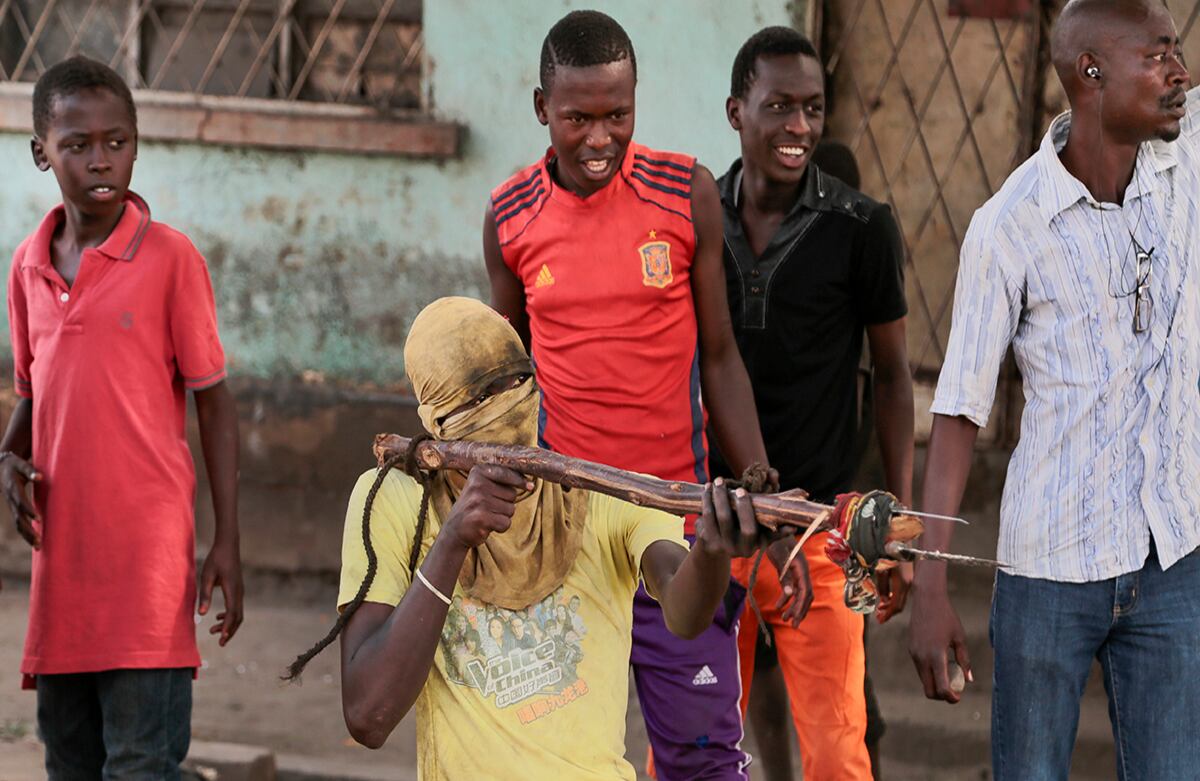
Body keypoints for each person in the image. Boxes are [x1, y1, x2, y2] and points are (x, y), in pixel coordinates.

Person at [287, 296, 770, 780]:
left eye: (516, 382)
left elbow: (684, 613)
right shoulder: (395, 500)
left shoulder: (600, 494)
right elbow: (368, 716)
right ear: (434, 421)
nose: (505, 403)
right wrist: (452, 541)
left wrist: (711, 548)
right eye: (477, 399)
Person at [483, 11, 780, 778]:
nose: (599, 138)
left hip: (673, 530)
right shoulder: (510, 218)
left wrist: (754, 476)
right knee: (557, 758)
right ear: (541, 107)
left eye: (618, 115)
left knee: (702, 757)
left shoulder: (684, 193)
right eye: (578, 117)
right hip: (563, 541)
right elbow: (504, 386)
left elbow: (719, 354)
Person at [908, 2, 1200, 778]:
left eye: (1179, 54)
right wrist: (930, 585)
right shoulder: (1010, 224)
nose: (1180, 76)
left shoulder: (1187, 163)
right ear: (1091, 74)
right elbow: (960, 409)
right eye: (1158, 58)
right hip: (1048, 570)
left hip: (1173, 557)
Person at [1, 56, 243, 778]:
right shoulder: (27, 266)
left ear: (137, 144)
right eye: (77, 145)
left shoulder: (170, 259)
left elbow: (215, 402)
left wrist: (227, 539)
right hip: (62, 575)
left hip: (148, 573)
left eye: (117, 141)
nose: (100, 160)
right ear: (43, 153)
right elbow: (34, 395)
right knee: (69, 762)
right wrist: (8, 460)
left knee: (140, 765)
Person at [714, 28, 913, 781]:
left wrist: (895, 523)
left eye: (813, 108)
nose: (798, 126)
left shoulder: (862, 227)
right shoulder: (698, 223)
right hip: (713, 523)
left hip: (823, 533)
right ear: (737, 110)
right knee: (691, 743)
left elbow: (893, 378)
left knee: (838, 751)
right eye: (779, 107)